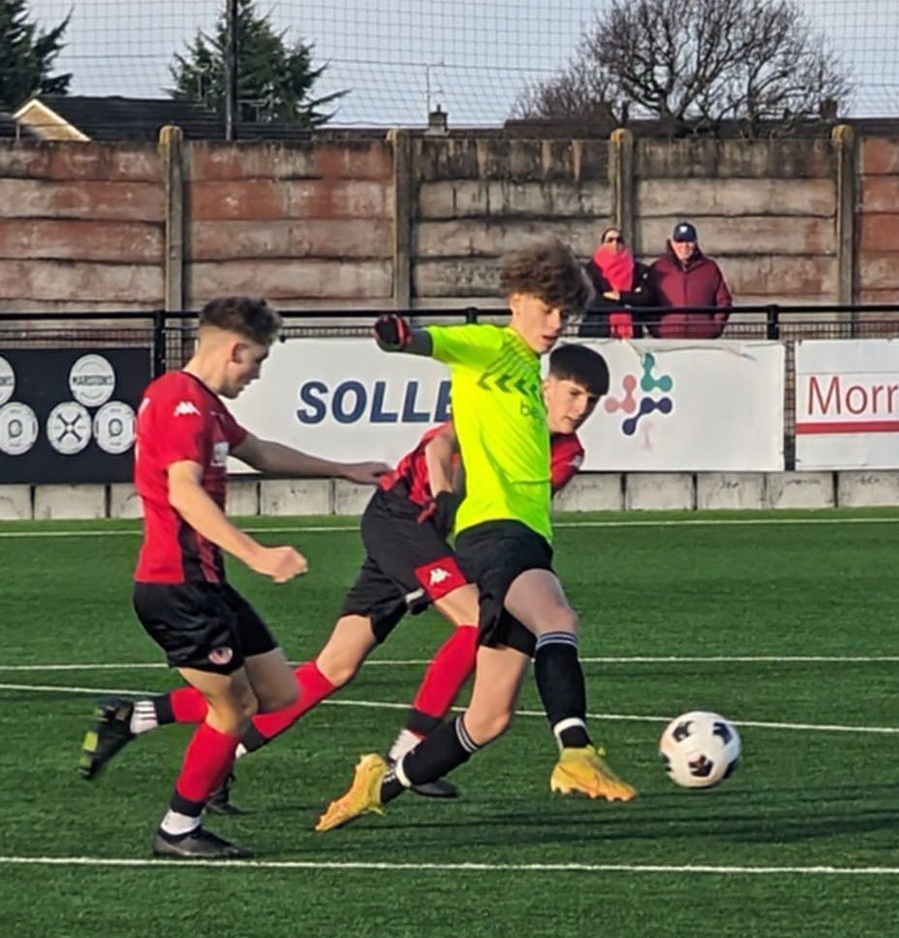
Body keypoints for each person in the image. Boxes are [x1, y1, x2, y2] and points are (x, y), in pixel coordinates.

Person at [81, 343, 607, 813]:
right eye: (573, 394)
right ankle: (411, 749)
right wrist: (446, 484)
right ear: (545, 386)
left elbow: (508, 516)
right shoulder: (506, 409)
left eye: (591, 401)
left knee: (332, 668)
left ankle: (148, 721)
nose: (579, 410)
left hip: (440, 540)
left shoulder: (570, 453)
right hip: (405, 520)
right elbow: (439, 445)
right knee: (478, 622)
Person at [315, 237, 637, 833]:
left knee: (488, 719)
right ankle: (576, 752)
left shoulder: (531, 376)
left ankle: (378, 785)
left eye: (565, 312)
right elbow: (427, 342)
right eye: (547, 307)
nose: (556, 322)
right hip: (496, 535)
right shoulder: (489, 347)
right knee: (559, 621)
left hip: (525, 540)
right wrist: (398, 336)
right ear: (516, 300)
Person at [106, 294, 388, 859]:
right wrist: (256, 554)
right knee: (233, 710)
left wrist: (342, 468)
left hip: (206, 584)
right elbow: (183, 491)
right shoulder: (180, 404)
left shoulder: (203, 405)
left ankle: (137, 715)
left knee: (278, 693)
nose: (257, 373)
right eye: (256, 360)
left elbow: (258, 451)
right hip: (177, 586)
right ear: (234, 349)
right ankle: (177, 829)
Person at [649, 221, 732, 338]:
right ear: (672, 243)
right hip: (668, 340)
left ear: (695, 243)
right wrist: (657, 329)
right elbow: (648, 301)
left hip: (703, 339)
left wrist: (715, 327)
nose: (684, 246)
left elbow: (724, 300)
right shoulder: (658, 268)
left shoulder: (710, 268)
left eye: (689, 241)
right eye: (680, 241)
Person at [578, 226, 657, 339]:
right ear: (602, 245)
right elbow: (593, 299)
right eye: (610, 240)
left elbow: (645, 297)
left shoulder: (638, 269)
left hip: (632, 334)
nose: (615, 243)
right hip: (597, 331)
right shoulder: (590, 270)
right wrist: (630, 300)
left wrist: (620, 296)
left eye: (619, 240)